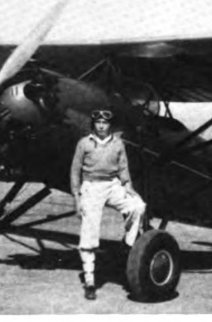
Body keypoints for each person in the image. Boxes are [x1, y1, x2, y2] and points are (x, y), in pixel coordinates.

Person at [70, 109, 146, 300]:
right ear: (93, 124)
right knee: (89, 233)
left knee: (138, 206)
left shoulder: (118, 143)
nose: (101, 126)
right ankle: (89, 281)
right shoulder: (84, 144)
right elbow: (75, 170)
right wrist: (77, 197)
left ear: (109, 125)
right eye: (98, 123)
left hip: (113, 184)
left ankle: (128, 244)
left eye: (105, 123)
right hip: (91, 186)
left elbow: (123, 167)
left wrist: (128, 186)